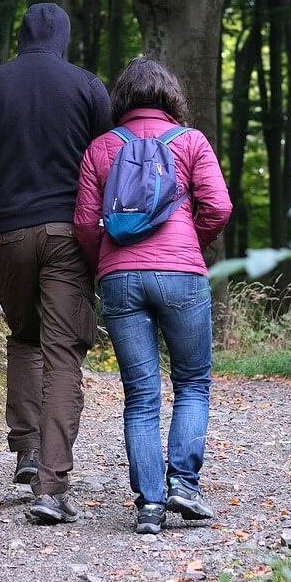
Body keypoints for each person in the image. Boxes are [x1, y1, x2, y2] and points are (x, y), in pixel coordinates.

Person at [0, 2, 112, 525]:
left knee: (24, 338)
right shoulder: (88, 86)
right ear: (63, 37)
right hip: (68, 234)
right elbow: (111, 161)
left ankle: (27, 450)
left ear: (20, 37)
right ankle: (51, 487)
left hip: (8, 234)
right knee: (63, 355)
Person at [73, 57, 232, 535]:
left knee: (141, 395)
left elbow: (83, 222)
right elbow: (219, 206)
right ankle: (184, 484)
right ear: (171, 97)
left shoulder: (100, 148)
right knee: (192, 383)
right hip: (181, 274)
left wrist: (108, 257)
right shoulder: (191, 142)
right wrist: (190, 245)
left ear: (120, 99)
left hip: (120, 278)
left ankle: (149, 506)